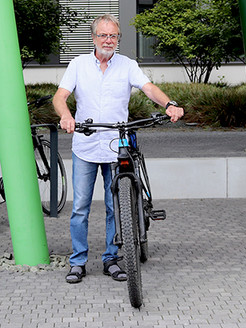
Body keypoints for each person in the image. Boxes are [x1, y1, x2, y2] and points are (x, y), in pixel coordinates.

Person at [53, 14, 184, 284]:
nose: (109, 40)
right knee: (80, 207)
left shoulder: (127, 65)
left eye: (113, 36)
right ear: (94, 38)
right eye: (103, 35)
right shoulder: (78, 65)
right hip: (86, 146)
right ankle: (78, 261)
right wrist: (66, 116)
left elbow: (148, 88)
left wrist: (169, 104)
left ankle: (111, 259)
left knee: (116, 207)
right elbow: (60, 97)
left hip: (116, 147)